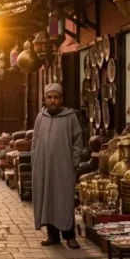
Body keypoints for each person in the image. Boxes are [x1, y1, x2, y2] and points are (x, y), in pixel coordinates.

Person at [32, 83, 84, 248]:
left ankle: (69, 236)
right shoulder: (41, 118)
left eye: (55, 97)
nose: (52, 101)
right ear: (45, 99)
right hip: (43, 168)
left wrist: (73, 162)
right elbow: (35, 141)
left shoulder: (70, 117)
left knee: (64, 200)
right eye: (49, 97)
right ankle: (52, 235)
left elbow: (77, 141)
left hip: (64, 167)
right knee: (47, 199)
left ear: (61, 99)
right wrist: (36, 160)